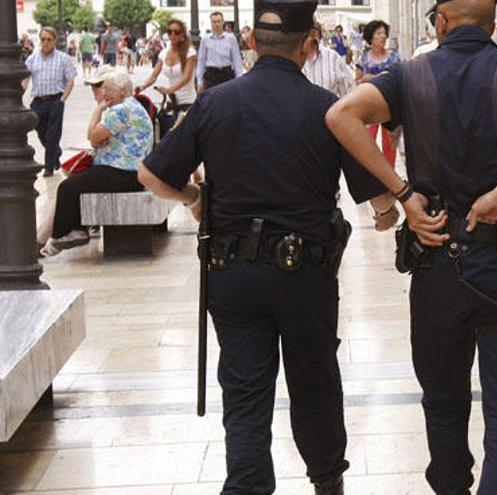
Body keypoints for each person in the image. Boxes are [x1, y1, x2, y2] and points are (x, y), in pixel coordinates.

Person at [326, 0, 497, 492]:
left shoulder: (411, 75)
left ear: (441, 23)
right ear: (493, 24)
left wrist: (403, 193)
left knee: (444, 405)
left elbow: (342, 115)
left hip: (439, 261)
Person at [137, 1, 399, 493]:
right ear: (310, 45)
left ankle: (247, 485)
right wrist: (387, 213)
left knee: (244, 391)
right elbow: (378, 193)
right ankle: (326, 481)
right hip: (305, 275)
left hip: (232, 274)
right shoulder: (328, 108)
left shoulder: (214, 102)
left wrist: (195, 199)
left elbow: (151, 174)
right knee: (315, 381)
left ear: (252, 43)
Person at [41, 71, 153, 257]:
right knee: (79, 182)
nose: (105, 93)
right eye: (104, 88)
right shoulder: (132, 106)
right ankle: (73, 230)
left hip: (121, 173)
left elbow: (92, 136)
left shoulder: (120, 110)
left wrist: (98, 110)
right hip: (130, 172)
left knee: (67, 187)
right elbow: (97, 140)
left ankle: (67, 233)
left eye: (109, 89)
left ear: (123, 91)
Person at [23, 27, 77, 178]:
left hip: (55, 100)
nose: (45, 43)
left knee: (53, 134)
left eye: (48, 39)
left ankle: (49, 167)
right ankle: (56, 152)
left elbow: (71, 80)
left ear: (54, 40)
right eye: (42, 39)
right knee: (41, 132)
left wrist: (62, 100)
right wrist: (20, 92)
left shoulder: (62, 58)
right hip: (38, 101)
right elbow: (26, 78)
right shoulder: (33, 58)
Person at [137, 19, 197, 137]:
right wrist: (143, 86)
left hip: (187, 101)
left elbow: (186, 77)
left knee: (187, 137)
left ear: (183, 35)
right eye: (169, 32)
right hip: (171, 102)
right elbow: (154, 75)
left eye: (176, 32)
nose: (172, 35)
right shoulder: (164, 53)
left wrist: (169, 90)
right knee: (168, 135)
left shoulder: (190, 52)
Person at [355, 20, 401, 170]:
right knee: (368, 142)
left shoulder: (394, 56)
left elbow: (400, 79)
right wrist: (364, 80)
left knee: (390, 143)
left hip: (390, 105)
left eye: (384, 33)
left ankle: (391, 179)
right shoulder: (363, 58)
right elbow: (357, 80)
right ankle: (372, 178)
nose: (383, 36)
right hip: (369, 105)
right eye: (378, 33)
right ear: (370, 38)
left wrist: (374, 78)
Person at [303, 23, 356, 98]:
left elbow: (350, 95)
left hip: (341, 55)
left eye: (340, 30)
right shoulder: (284, 60)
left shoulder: (333, 58)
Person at [197, 12, 245, 92]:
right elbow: (201, 61)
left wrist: (239, 79)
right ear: (211, 23)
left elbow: (237, 60)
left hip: (226, 73)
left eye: (219, 21)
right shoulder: (205, 40)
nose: (217, 24)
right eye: (214, 22)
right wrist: (199, 81)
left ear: (223, 22)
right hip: (211, 74)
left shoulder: (231, 38)